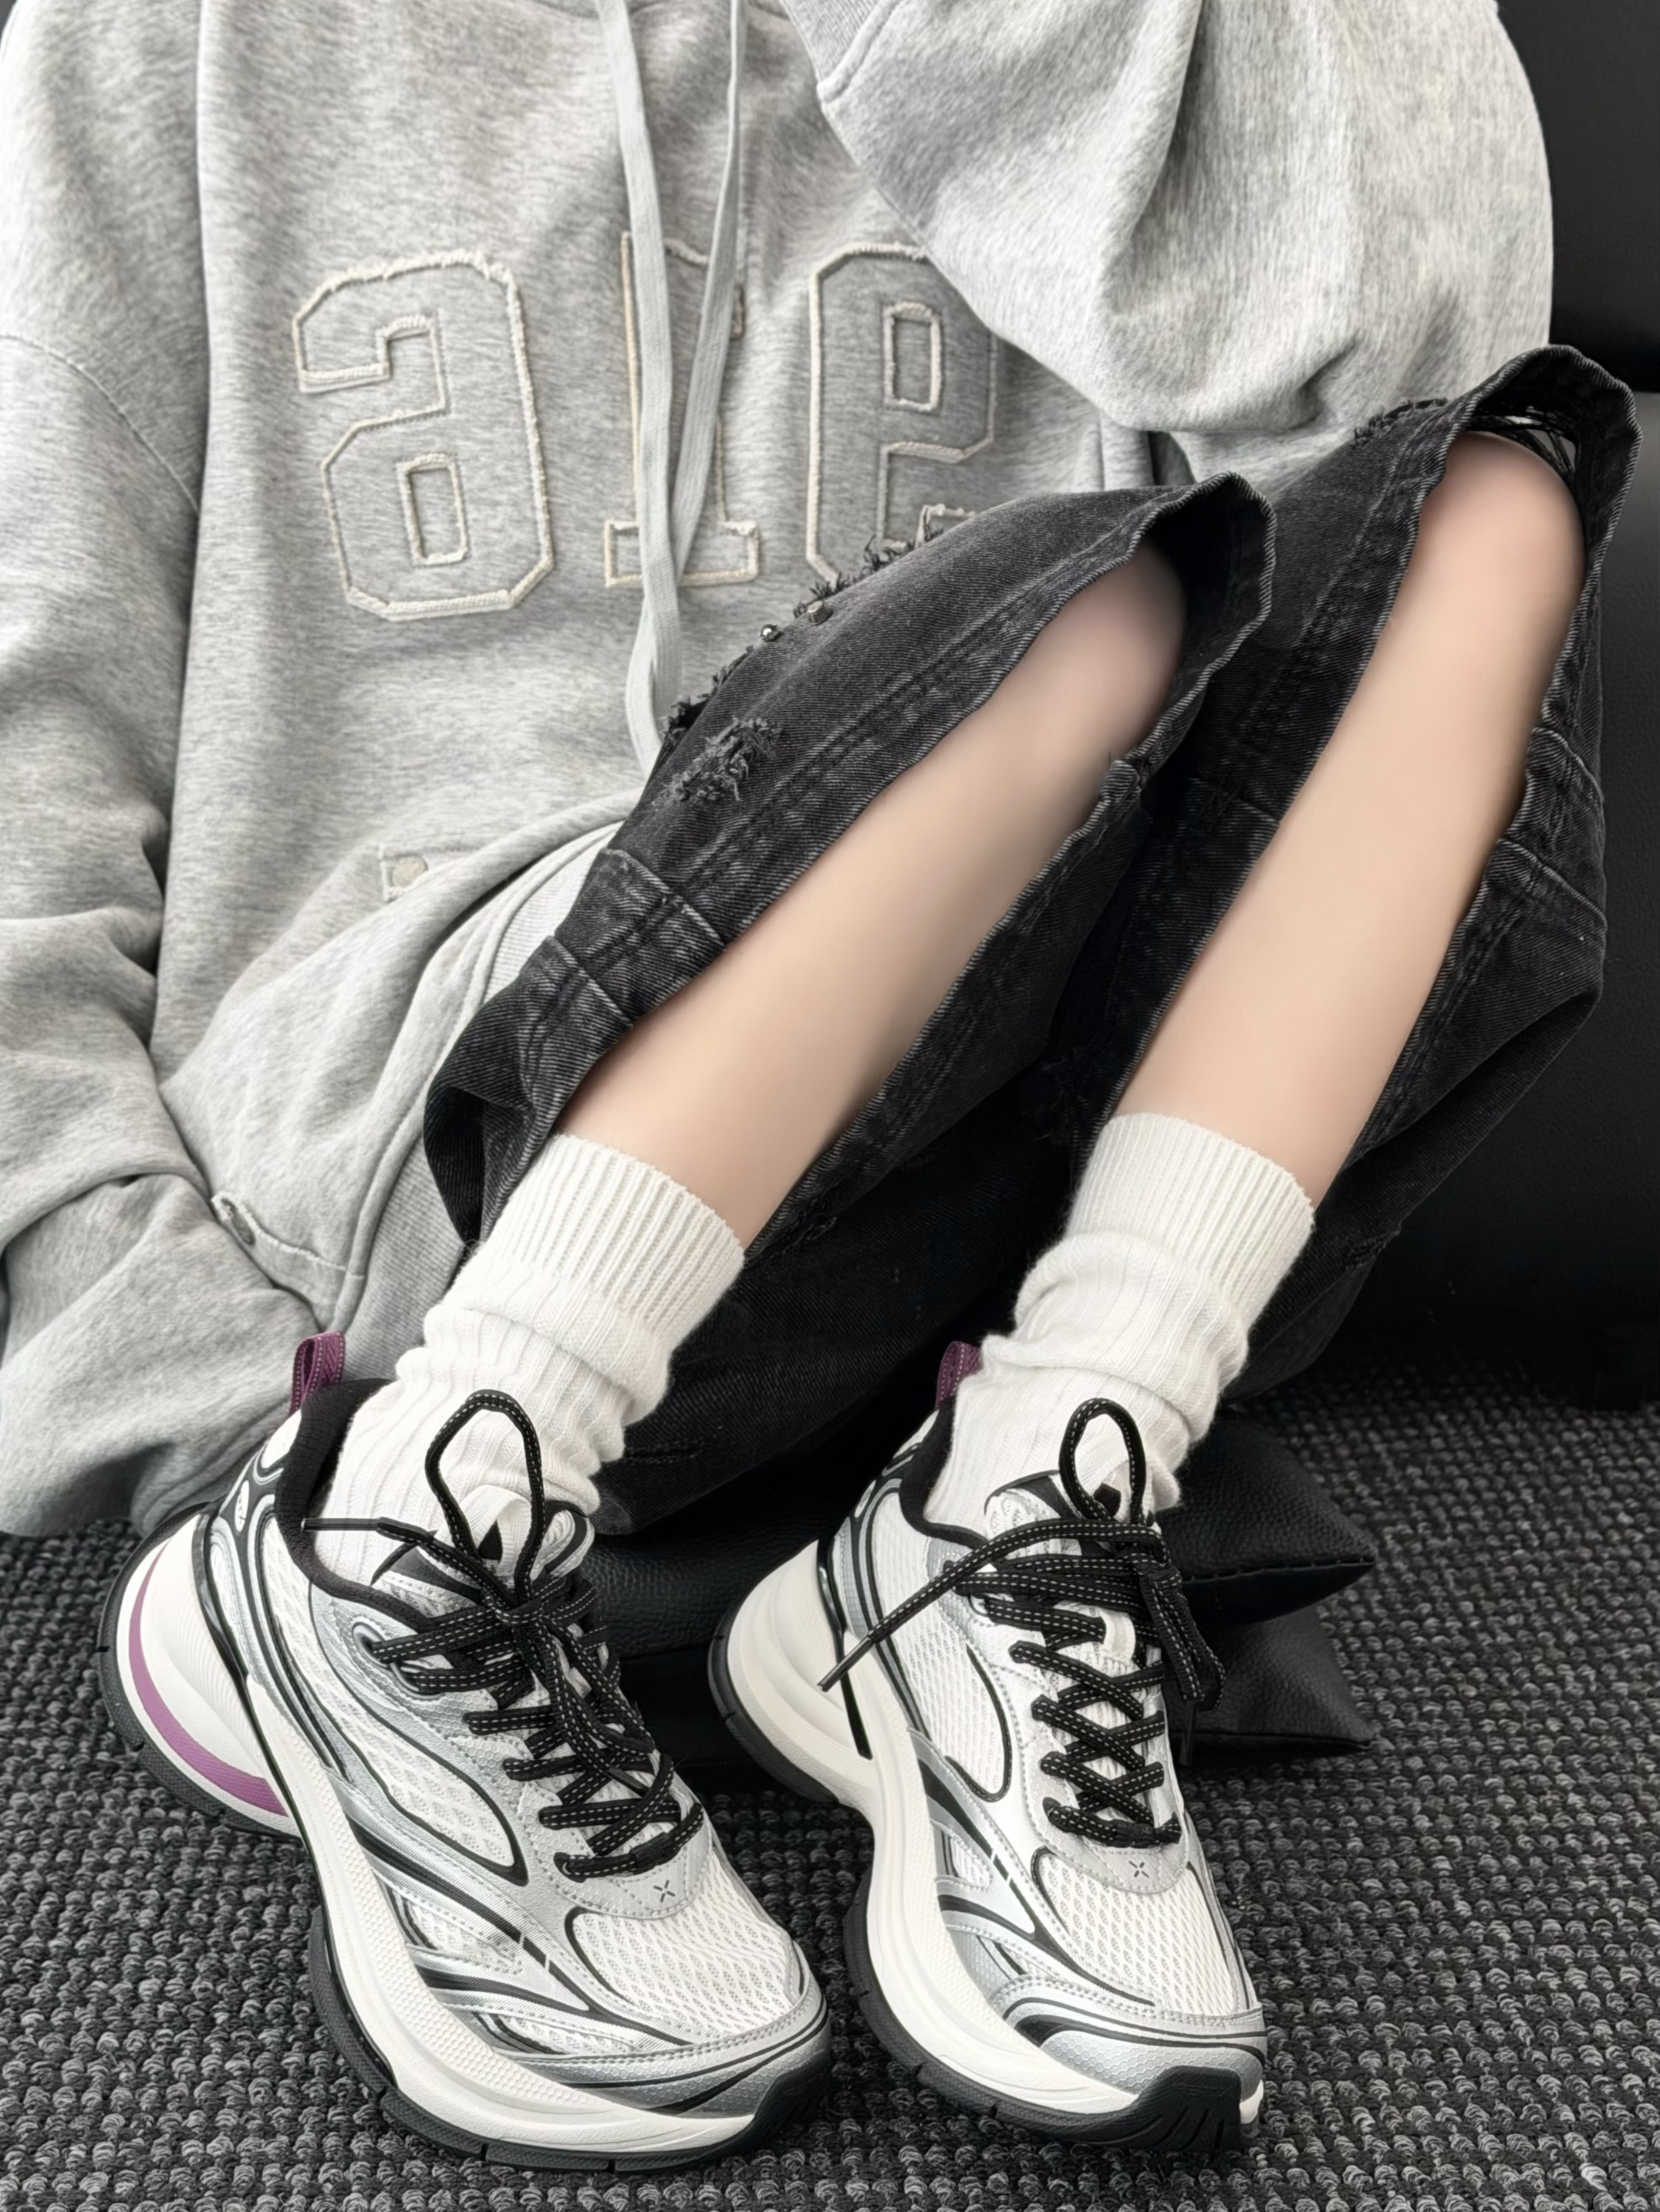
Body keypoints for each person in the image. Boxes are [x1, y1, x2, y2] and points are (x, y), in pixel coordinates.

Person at [1, 0, 1638, 2172]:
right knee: (1080, 608)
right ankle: (410, 1518)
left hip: (1006, 1240)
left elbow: (1429, 356)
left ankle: (1008, 1518)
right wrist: (186, 1388)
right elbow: (30, 735)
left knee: (1497, 496)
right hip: (450, 1157)